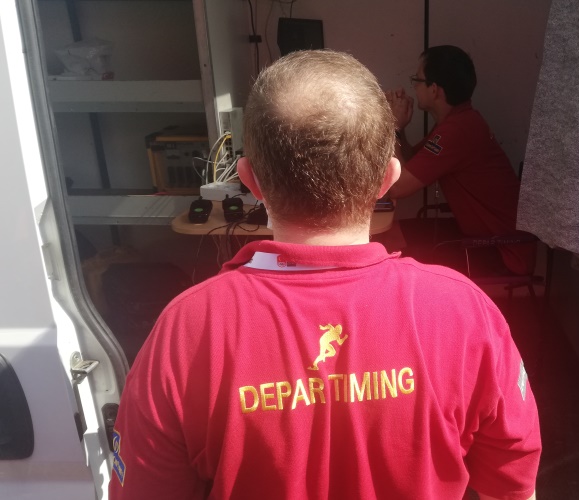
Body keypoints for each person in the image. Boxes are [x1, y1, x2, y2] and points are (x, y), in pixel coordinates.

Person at [109, 50, 540, 500]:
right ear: (387, 178)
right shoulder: (467, 314)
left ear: (250, 181)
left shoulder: (183, 333)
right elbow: (512, 488)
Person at [386, 45, 535, 276]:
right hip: (483, 238)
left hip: (501, 250)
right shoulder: (458, 121)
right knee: (394, 235)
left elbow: (397, 186)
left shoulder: (457, 131)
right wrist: (399, 129)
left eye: (417, 80)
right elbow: (413, 162)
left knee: (391, 252)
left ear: (434, 89)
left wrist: (393, 127)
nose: (414, 86)